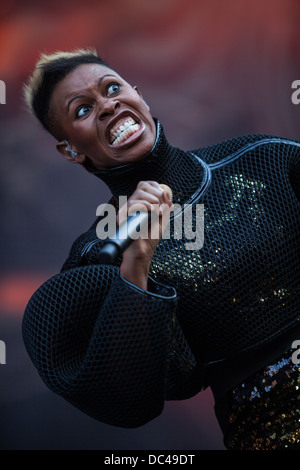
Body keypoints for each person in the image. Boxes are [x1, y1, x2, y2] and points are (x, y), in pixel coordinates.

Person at [22, 48, 300, 450]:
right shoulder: (98, 257)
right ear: (70, 150)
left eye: (112, 88)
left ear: (139, 96)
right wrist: (135, 266)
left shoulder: (263, 158)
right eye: (82, 110)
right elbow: (132, 397)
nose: (107, 106)